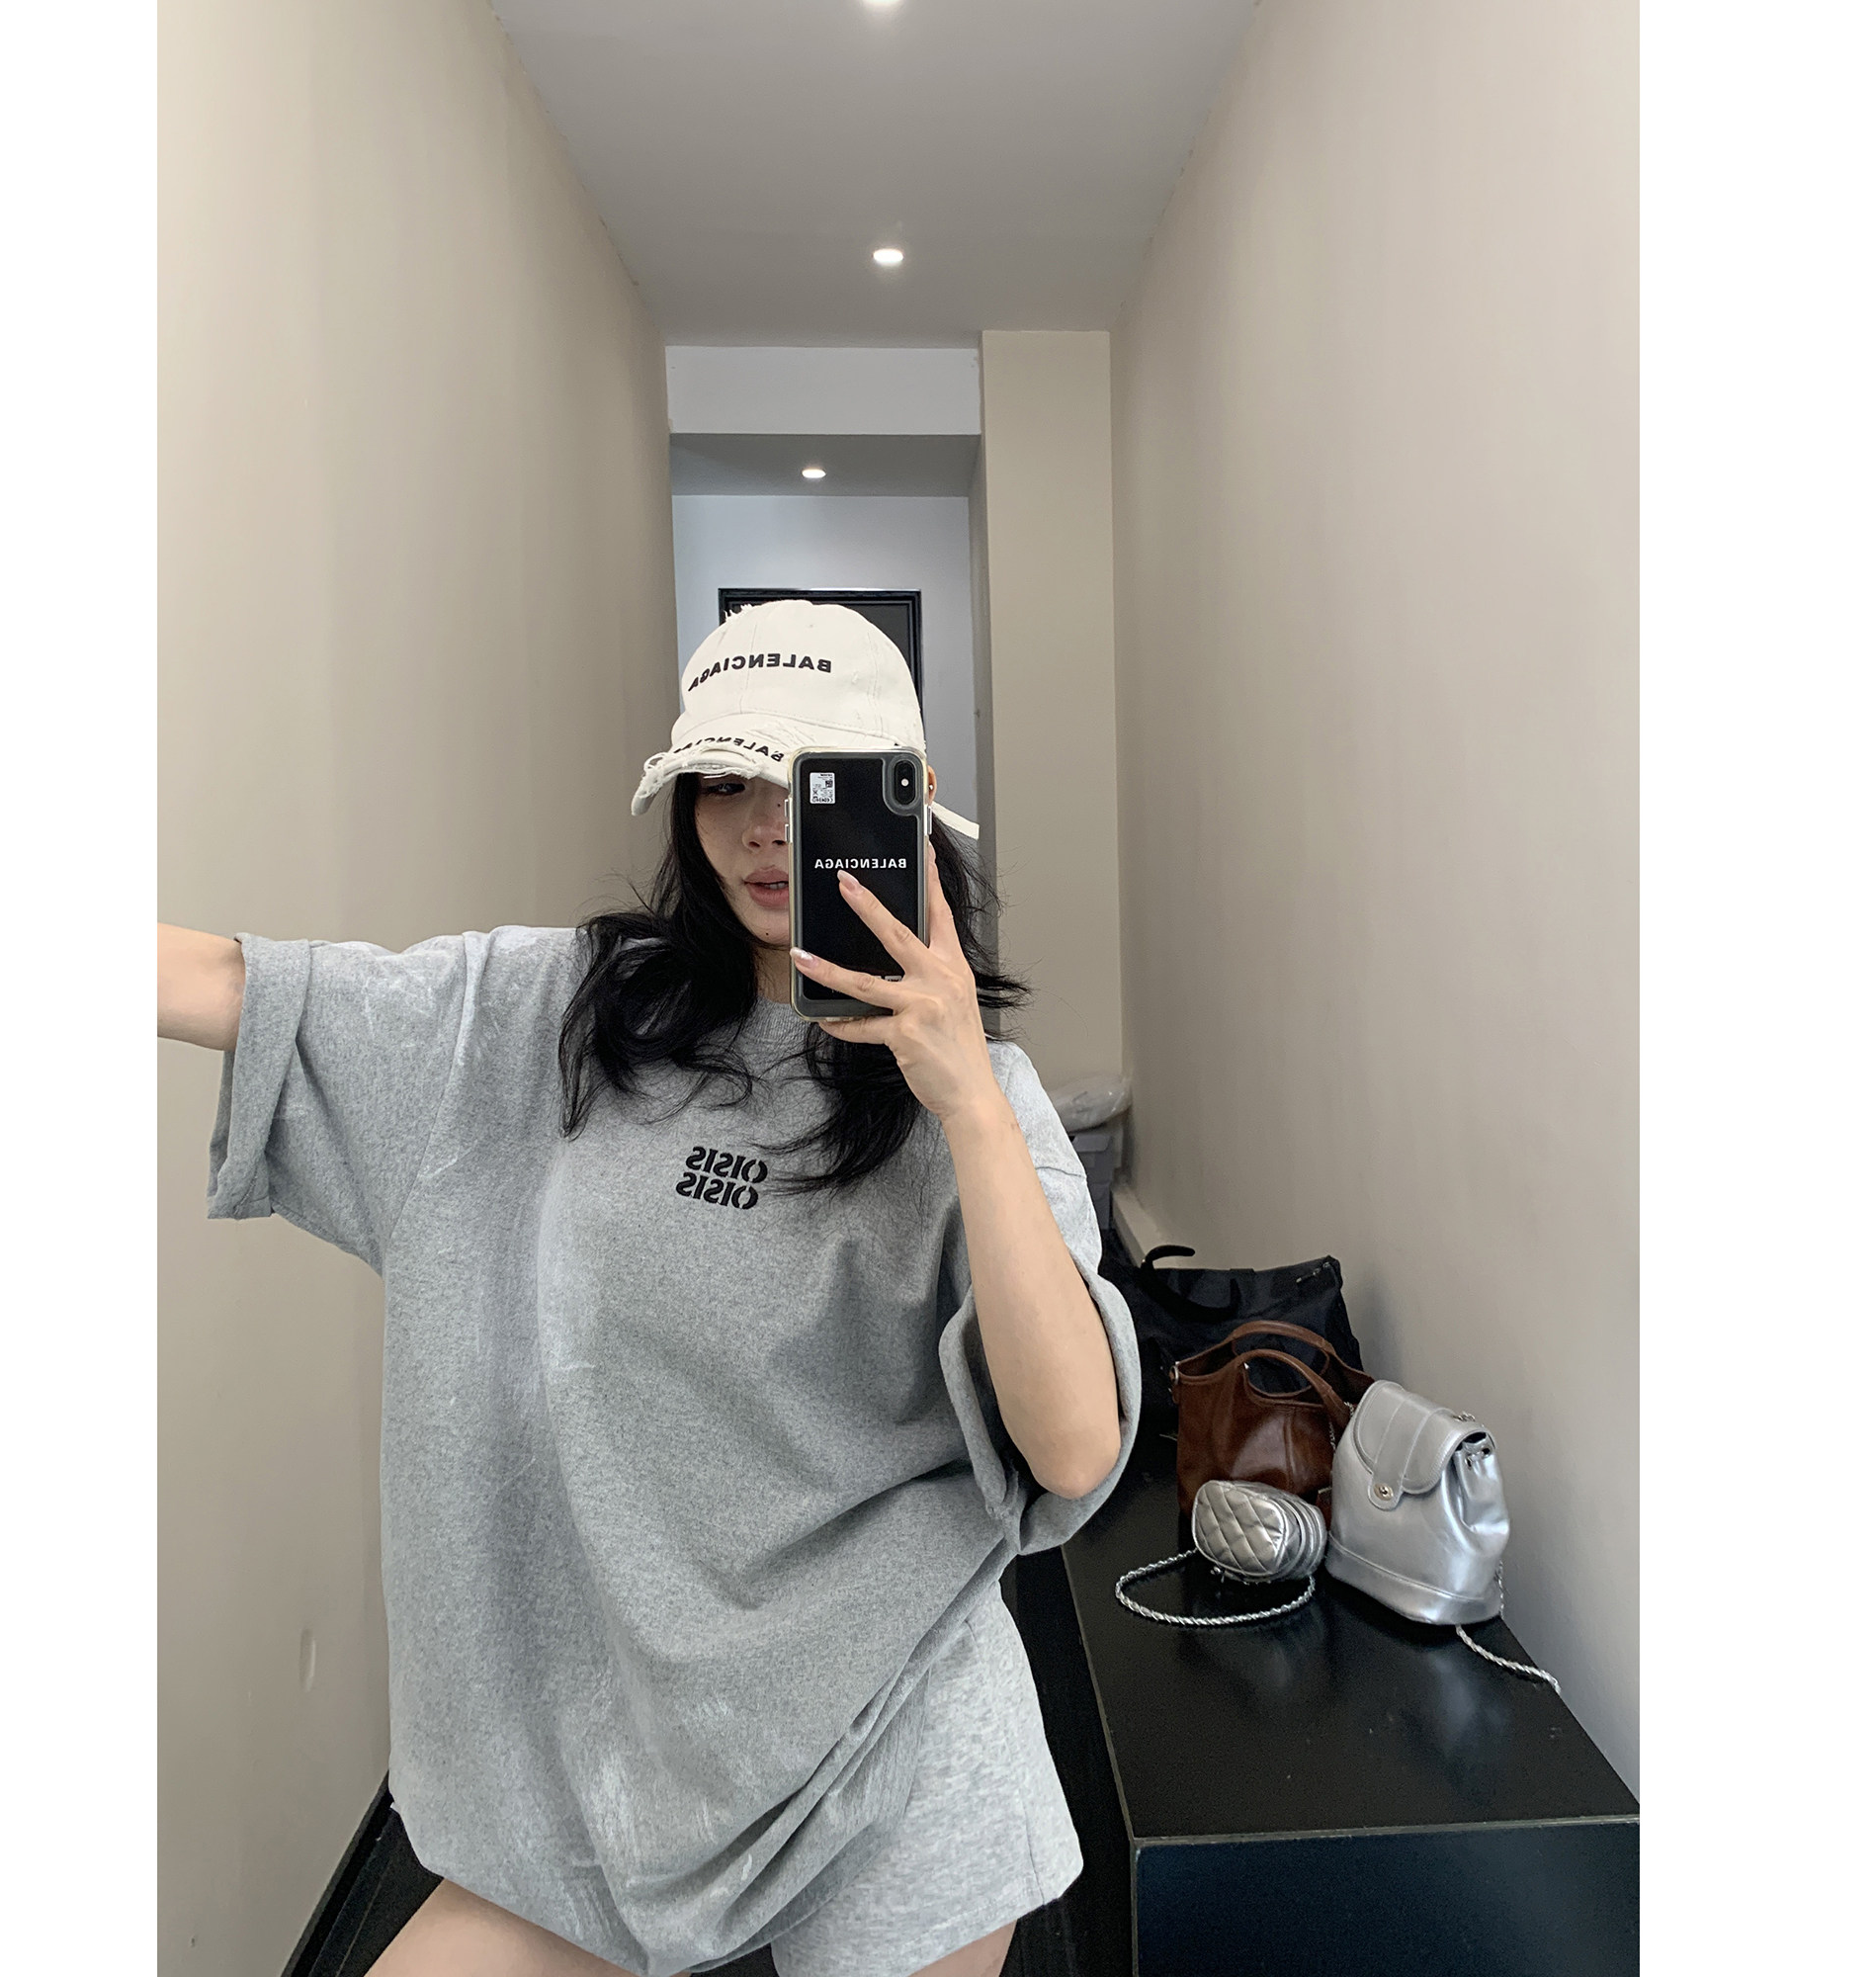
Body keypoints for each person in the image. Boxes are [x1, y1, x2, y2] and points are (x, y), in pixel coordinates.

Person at [158, 599, 1141, 1977]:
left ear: (907, 806)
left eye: (814, 786)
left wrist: (966, 1098)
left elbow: (1075, 1447)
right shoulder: (550, 1021)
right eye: (726, 781)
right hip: (610, 1755)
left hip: (898, 1742)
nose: (765, 827)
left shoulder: (987, 1099)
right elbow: (233, 983)